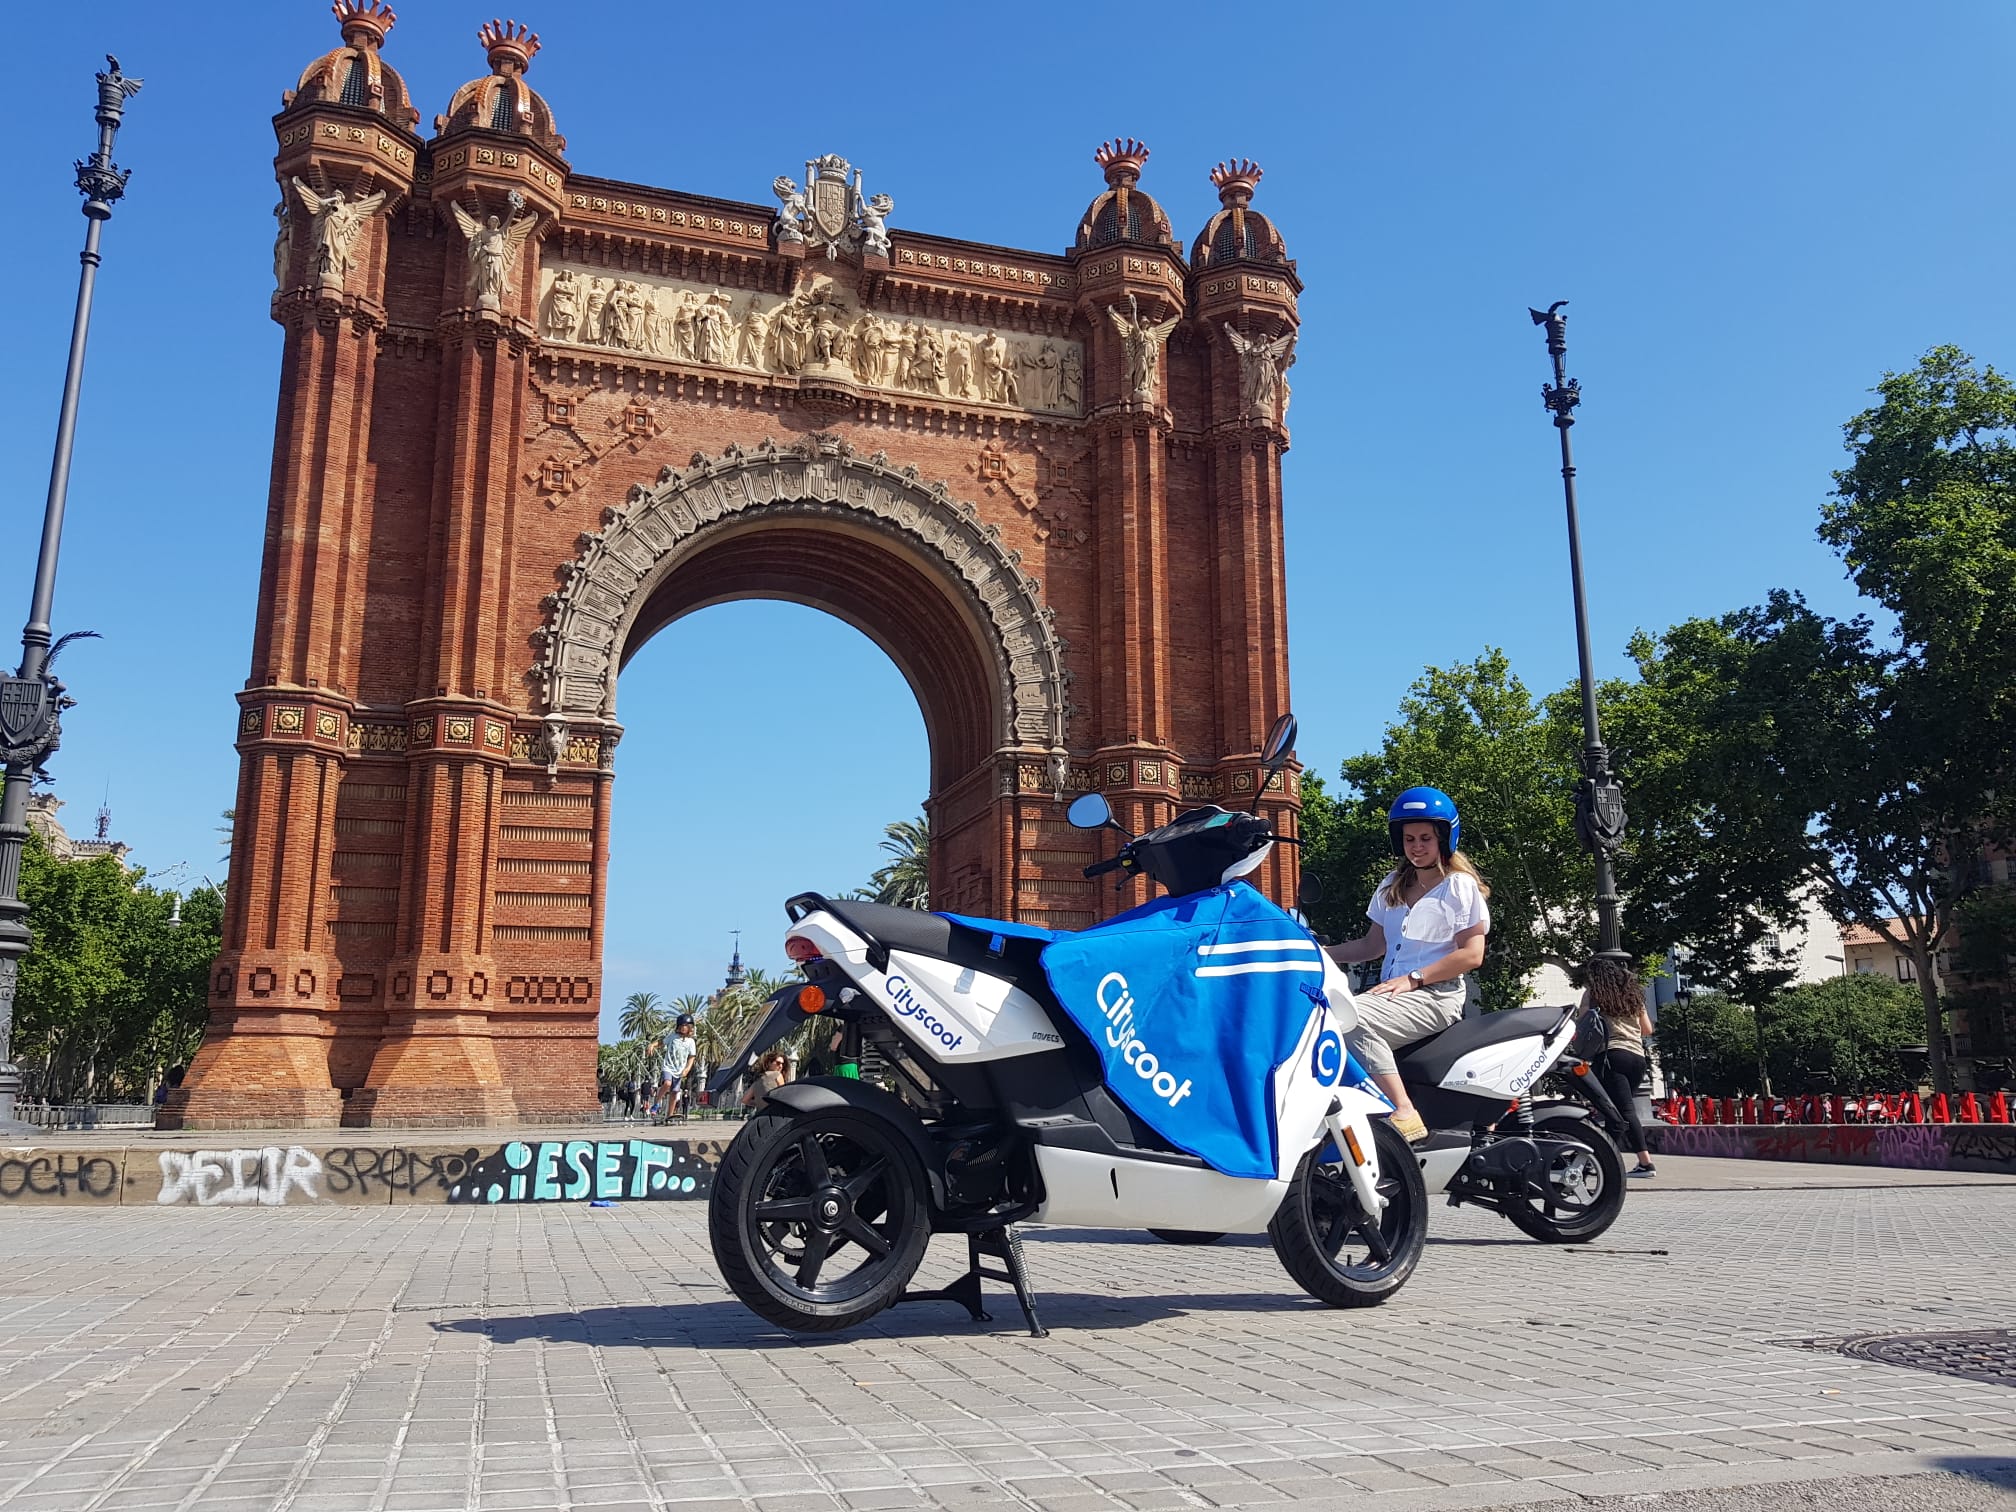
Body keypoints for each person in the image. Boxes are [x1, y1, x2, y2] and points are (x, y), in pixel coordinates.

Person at [1325, 787, 1491, 1144]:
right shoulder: (1392, 885)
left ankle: (1403, 1112)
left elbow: (1472, 954)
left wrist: (1414, 979)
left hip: (1436, 996)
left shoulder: (1458, 886)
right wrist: (1318, 952)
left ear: (1444, 838)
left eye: (1425, 838)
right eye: (1409, 839)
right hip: (1394, 996)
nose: (1416, 847)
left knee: (1349, 1016)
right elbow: (1371, 946)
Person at [1587, 957, 1657, 1175]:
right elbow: (1647, 1029)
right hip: (1637, 1058)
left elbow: (1584, 1023)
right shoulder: (1633, 995)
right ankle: (1599, 1161)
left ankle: (1645, 1163)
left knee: (1623, 1111)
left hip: (1611, 1056)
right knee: (1616, 1112)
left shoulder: (1594, 995)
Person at [659, 1014, 698, 1123]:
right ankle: (657, 1102)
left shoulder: (691, 1042)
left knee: (674, 1092)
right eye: (681, 1026)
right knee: (667, 1083)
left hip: (679, 1070)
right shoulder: (673, 1037)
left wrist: (687, 1069)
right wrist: (652, 1045)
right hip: (668, 1067)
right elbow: (662, 1042)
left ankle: (669, 1115)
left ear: (690, 1027)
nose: (683, 1028)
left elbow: (692, 1057)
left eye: (685, 1026)